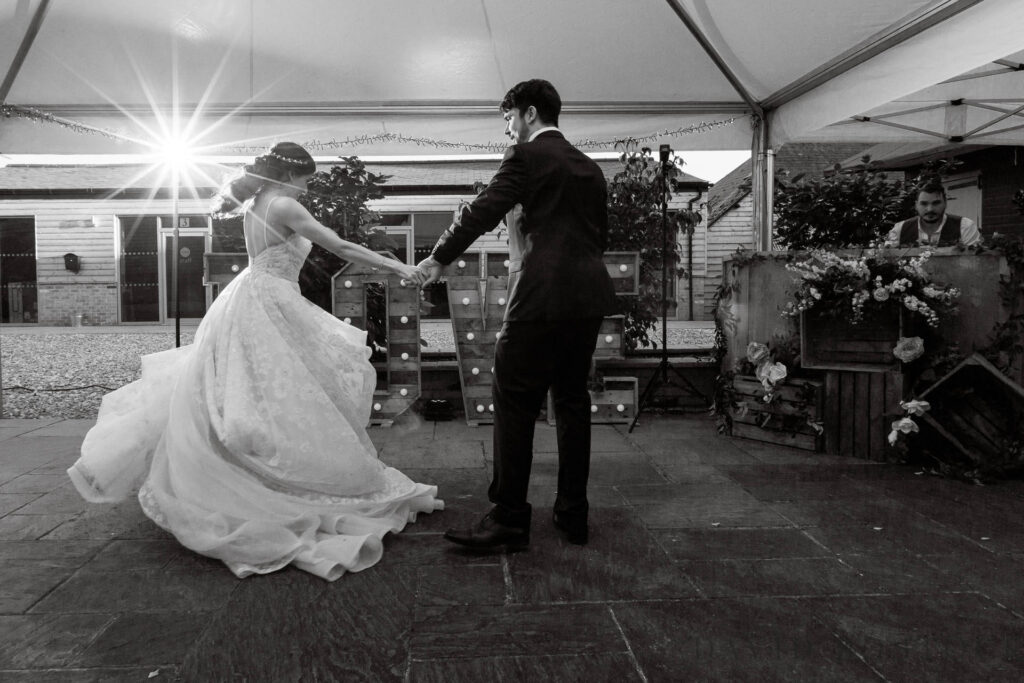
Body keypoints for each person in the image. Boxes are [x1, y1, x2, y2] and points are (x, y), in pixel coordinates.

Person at [67, 142, 442, 581]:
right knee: (288, 388)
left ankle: (250, 462)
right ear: (290, 175)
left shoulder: (256, 204)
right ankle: (278, 477)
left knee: (260, 388)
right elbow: (339, 245)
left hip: (253, 297)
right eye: (306, 177)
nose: (308, 185)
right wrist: (397, 267)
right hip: (271, 301)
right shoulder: (283, 204)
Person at [418, 79, 618, 548]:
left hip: (537, 299)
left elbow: (485, 210)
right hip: (587, 298)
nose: (508, 129)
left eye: (508, 118)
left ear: (529, 114)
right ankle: (573, 514)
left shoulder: (526, 156)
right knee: (571, 403)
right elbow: (598, 237)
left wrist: (440, 256)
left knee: (514, 403)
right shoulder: (590, 168)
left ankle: (509, 518)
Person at [885, 179, 981, 247]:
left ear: (945, 203)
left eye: (936, 203)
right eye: (924, 204)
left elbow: (975, 264)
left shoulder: (965, 227)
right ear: (916, 205)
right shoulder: (900, 230)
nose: (930, 209)